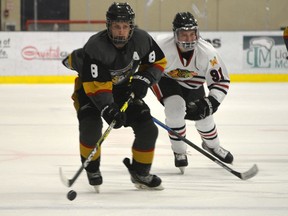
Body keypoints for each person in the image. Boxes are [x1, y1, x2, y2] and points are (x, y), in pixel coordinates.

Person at [62, 2, 167, 191]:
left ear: (131, 27)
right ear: (108, 26)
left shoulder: (142, 39)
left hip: (122, 89)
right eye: (116, 26)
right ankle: (92, 169)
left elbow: (158, 62)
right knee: (91, 129)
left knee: (148, 129)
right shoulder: (96, 46)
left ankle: (141, 173)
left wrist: (144, 79)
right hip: (90, 90)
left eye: (125, 26)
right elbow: (97, 86)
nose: (121, 32)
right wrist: (108, 109)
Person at [151, 12, 233, 174]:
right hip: (166, 81)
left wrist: (210, 102)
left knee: (204, 116)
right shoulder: (160, 46)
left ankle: (213, 146)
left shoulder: (208, 53)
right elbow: (144, 65)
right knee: (175, 108)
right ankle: (179, 150)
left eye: (192, 34)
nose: (189, 39)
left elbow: (220, 81)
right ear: (175, 34)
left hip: (192, 85)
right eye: (184, 34)